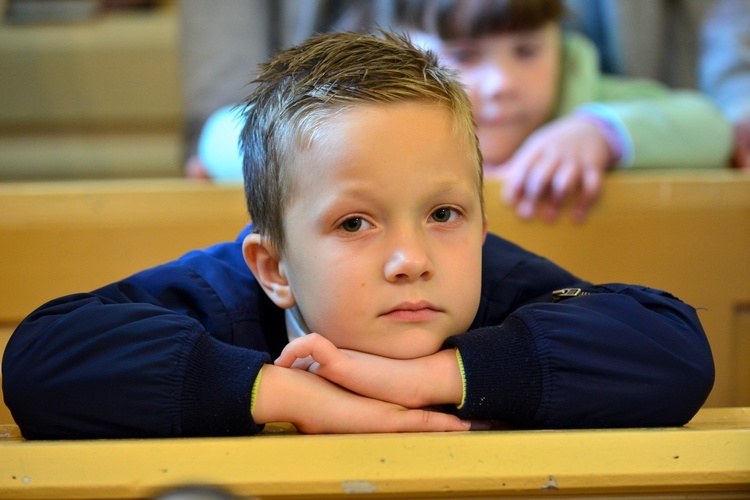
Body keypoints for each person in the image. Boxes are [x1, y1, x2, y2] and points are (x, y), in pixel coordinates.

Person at [2, 31, 714, 440]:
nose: (412, 259)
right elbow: (40, 359)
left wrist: (427, 379)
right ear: (274, 267)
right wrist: (295, 398)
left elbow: (675, 351)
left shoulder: (491, 279)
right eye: (353, 223)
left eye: (444, 213)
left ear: (481, 222)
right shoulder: (220, 296)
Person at [394, 0, 733, 223]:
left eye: (526, 51)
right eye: (465, 56)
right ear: (406, 50)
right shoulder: (385, 122)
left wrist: (599, 132)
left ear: (559, 43)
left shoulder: (586, 94)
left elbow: (713, 128)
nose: (502, 83)